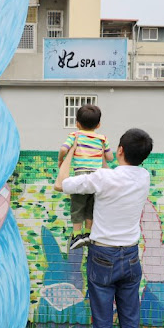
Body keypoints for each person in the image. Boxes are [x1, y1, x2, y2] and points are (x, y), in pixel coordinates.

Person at [54, 128, 153, 328]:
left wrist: (72, 152)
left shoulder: (102, 178)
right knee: (130, 323)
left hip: (102, 257)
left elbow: (61, 184)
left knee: (102, 323)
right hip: (130, 256)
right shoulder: (144, 176)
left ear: (120, 150)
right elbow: (116, 174)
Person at [57, 104, 114, 252]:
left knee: (77, 205)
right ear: (99, 124)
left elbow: (63, 149)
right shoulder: (102, 138)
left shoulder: (75, 135)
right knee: (91, 205)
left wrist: (61, 159)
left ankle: (77, 235)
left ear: (77, 123)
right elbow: (110, 157)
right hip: (97, 177)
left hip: (80, 176)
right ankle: (89, 233)